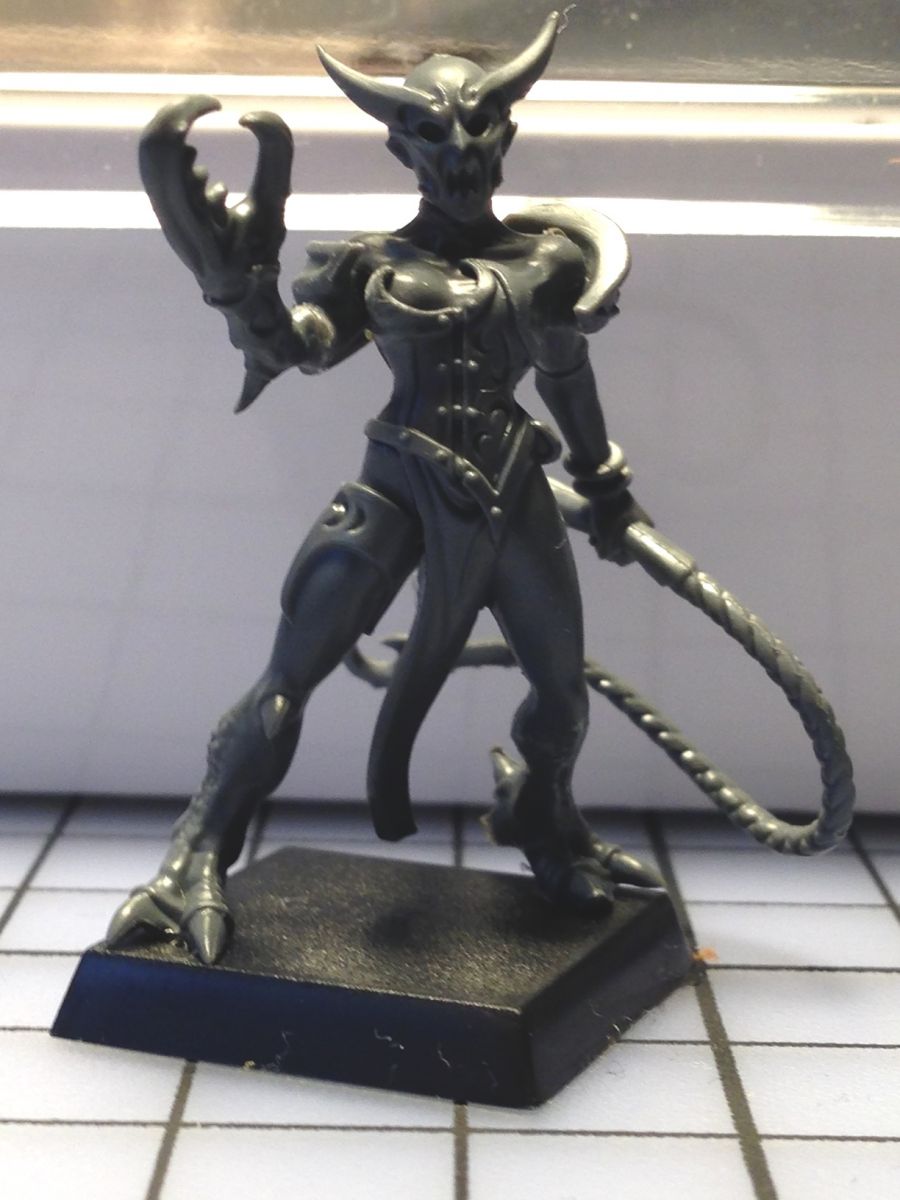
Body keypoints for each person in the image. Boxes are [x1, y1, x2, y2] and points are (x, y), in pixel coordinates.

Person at [109, 12, 661, 965]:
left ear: (507, 135)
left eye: (478, 127)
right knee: (290, 678)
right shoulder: (371, 265)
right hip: (398, 485)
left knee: (562, 694)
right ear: (402, 149)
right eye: (434, 134)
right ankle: (193, 854)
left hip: (513, 487)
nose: (460, 151)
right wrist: (238, 286)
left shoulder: (549, 263)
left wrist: (603, 482)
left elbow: (566, 374)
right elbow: (298, 348)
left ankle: (545, 820)